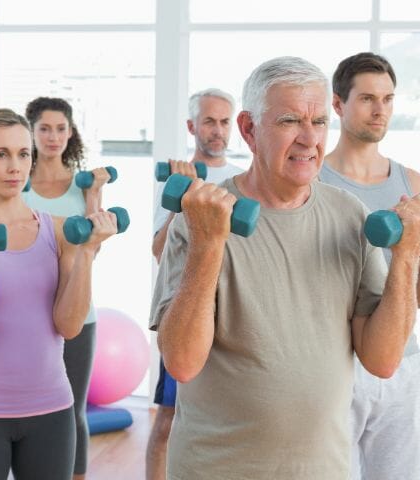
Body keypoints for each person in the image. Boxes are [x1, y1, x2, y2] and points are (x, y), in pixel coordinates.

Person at [149, 56, 420, 479]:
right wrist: (209, 244)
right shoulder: (202, 219)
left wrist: (408, 254)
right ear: (249, 129)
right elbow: (181, 363)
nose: (309, 139)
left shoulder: (350, 215)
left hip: (321, 469)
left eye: (319, 121)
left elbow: (382, 360)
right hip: (215, 468)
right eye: (289, 121)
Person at [320, 52, 420, 480]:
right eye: (368, 98)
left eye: (388, 99)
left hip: (402, 363)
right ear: (338, 105)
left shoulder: (416, 188)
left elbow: (417, 294)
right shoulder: (312, 183)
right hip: (330, 363)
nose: (380, 110)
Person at [0, 108, 117, 480]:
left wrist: (86, 253)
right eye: (1, 154)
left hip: (51, 411)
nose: (14, 166)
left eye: (23, 154)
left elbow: (68, 326)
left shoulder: (63, 231)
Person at [146, 87, 243, 480]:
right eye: (208, 121)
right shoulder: (175, 179)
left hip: (233, 311)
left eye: (223, 122)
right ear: (192, 126)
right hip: (186, 309)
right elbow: (158, 249)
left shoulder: (244, 179)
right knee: (169, 419)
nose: (217, 131)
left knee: (233, 417)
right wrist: (182, 198)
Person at [22, 97, 113, 480]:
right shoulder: (18, 185)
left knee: (73, 407)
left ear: (71, 132)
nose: (53, 136)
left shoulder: (83, 186)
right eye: (45, 128)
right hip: (28, 313)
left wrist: (94, 193)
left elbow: (96, 248)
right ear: (31, 132)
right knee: (27, 405)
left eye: (61, 128)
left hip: (78, 312)